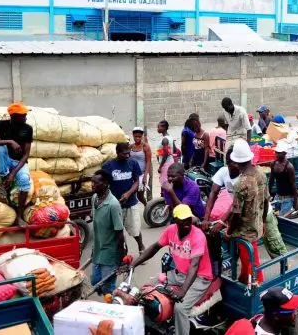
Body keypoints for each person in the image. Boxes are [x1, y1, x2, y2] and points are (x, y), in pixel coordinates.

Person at [131, 204, 212, 335]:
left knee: (180, 308)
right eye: (182, 219)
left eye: (188, 219)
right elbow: (154, 248)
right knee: (144, 290)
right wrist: (133, 264)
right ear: (175, 220)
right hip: (179, 274)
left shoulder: (198, 236)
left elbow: (194, 266)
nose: (186, 222)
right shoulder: (170, 231)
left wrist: (183, 291)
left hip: (200, 278)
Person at [226, 140, 268, 283]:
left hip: (245, 233)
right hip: (257, 226)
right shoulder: (261, 175)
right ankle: (244, 280)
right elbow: (266, 201)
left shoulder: (241, 183)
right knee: (247, 263)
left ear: (236, 163)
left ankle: (258, 289)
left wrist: (229, 231)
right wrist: (263, 222)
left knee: (251, 263)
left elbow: (237, 214)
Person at [0, 102, 32, 226]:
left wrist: (13, 174)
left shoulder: (27, 129)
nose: (26, 117)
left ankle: (20, 216)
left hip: (19, 163)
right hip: (5, 161)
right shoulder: (1, 125)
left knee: (24, 182)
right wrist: (10, 141)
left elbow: (26, 155)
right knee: (0, 147)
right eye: (23, 115)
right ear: (15, 116)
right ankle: (3, 179)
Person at [101, 143, 145, 253]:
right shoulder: (108, 166)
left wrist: (128, 194)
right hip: (115, 205)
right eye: (124, 154)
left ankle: (141, 246)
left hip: (131, 203)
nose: (127, 156)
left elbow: (137, 181)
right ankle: (123, 252)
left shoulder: (133, 163)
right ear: (117, 153)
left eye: (128, 153)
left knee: (135, 230)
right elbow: (104, 184)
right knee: (118, 231)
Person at [89, 169, 126, 296]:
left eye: (96, 183)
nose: (92, 185)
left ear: (105, 184)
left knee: (108, 287)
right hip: (98, 250)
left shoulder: (113, 205)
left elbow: (120, 233)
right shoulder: (94, 198)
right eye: (92, 182)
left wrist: (120, 258)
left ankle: (113, 305)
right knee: (94, 281)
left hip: (110, 253)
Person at [271, 142, 298, 217]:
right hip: (277, 198)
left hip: (287, 200)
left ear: (284, 153)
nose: (276, 154)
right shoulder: (273, 164)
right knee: (275, 218)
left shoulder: (289, 167)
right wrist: (268, 194)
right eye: (276, 152)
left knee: (283, 221)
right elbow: (271, 180)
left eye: (279, 153)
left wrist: (295, 202)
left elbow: (293, 185)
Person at [130, 126, 152, 206]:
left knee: (140, 195)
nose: (137, 138)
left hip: (142, 174)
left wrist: (145, 176)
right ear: (133, 135)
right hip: (132, 175)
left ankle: (147, 206)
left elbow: (148, 161)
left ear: (142, 136)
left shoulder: (145, 146)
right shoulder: (131, 147)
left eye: (139, 136)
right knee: (132, 193)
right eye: (136, 136)